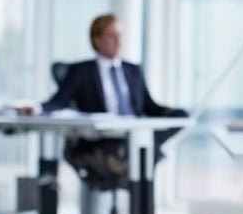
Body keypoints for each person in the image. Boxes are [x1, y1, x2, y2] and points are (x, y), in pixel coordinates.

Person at [28, 14, 186, 164]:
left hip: (133, 133)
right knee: (141, 151)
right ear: (97, 39)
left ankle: (142, 146)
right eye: (112, 35)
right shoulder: (82, 71)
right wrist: (36, 109)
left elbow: (149, 106)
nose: (119, 41)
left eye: (121, 35)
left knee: (178, 119)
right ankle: (138, 149)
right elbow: (59, 101)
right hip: (102, 140)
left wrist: (175, 114)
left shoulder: (133, 70)